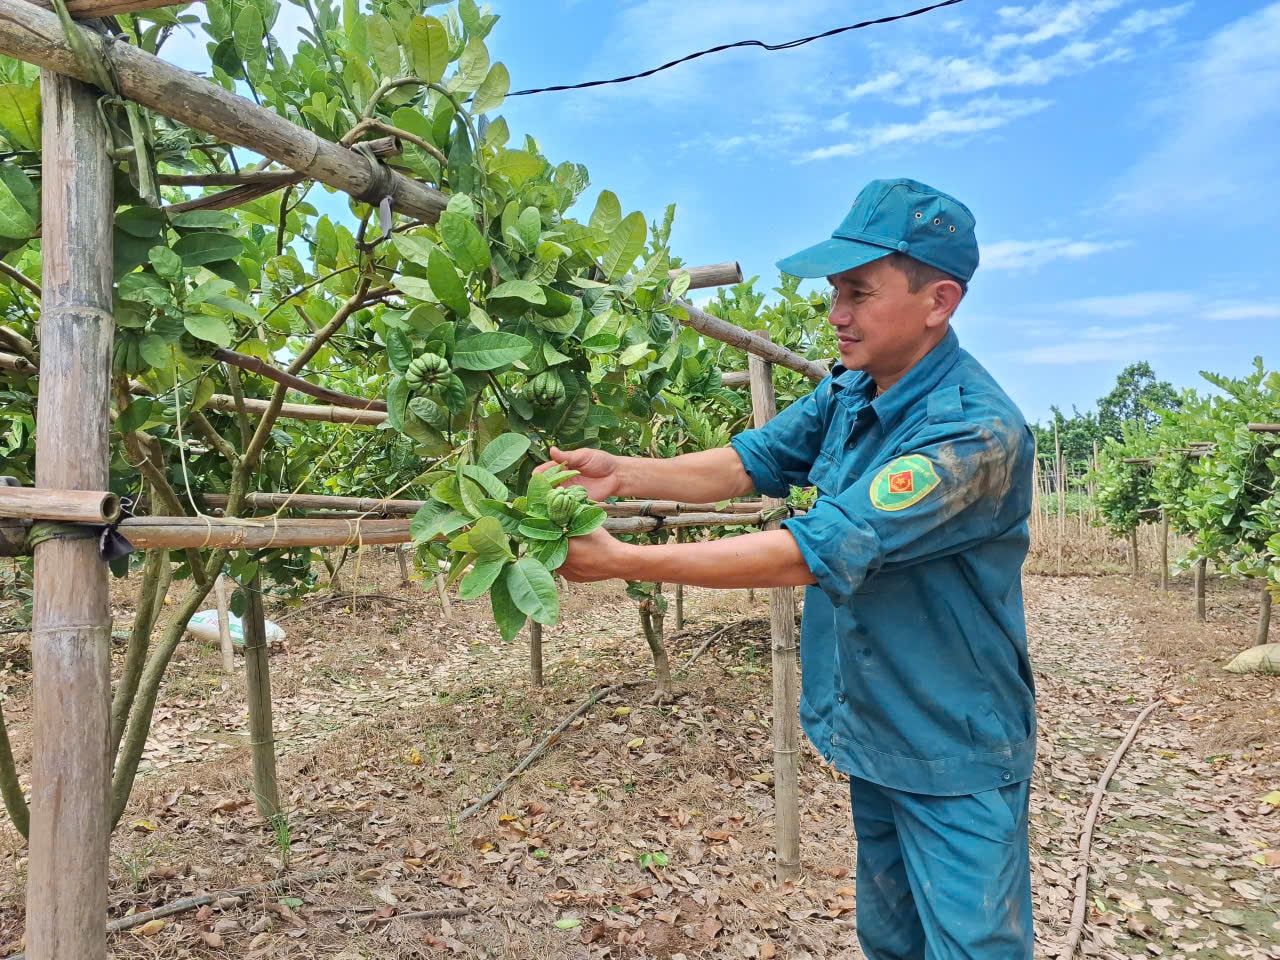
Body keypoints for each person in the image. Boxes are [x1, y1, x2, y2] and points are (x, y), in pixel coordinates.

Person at [543, 178, 1036, 960]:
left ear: (939, 301)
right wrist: (623, 472)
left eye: (859, 292)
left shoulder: (973, 433)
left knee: (974, 946)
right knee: (893, 938)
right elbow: (753, 461)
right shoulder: (851, 390)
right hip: (873, 723)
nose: (836, 314)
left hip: (953, 746)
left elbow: (811, 549)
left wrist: (626, 561)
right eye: (835, 291)